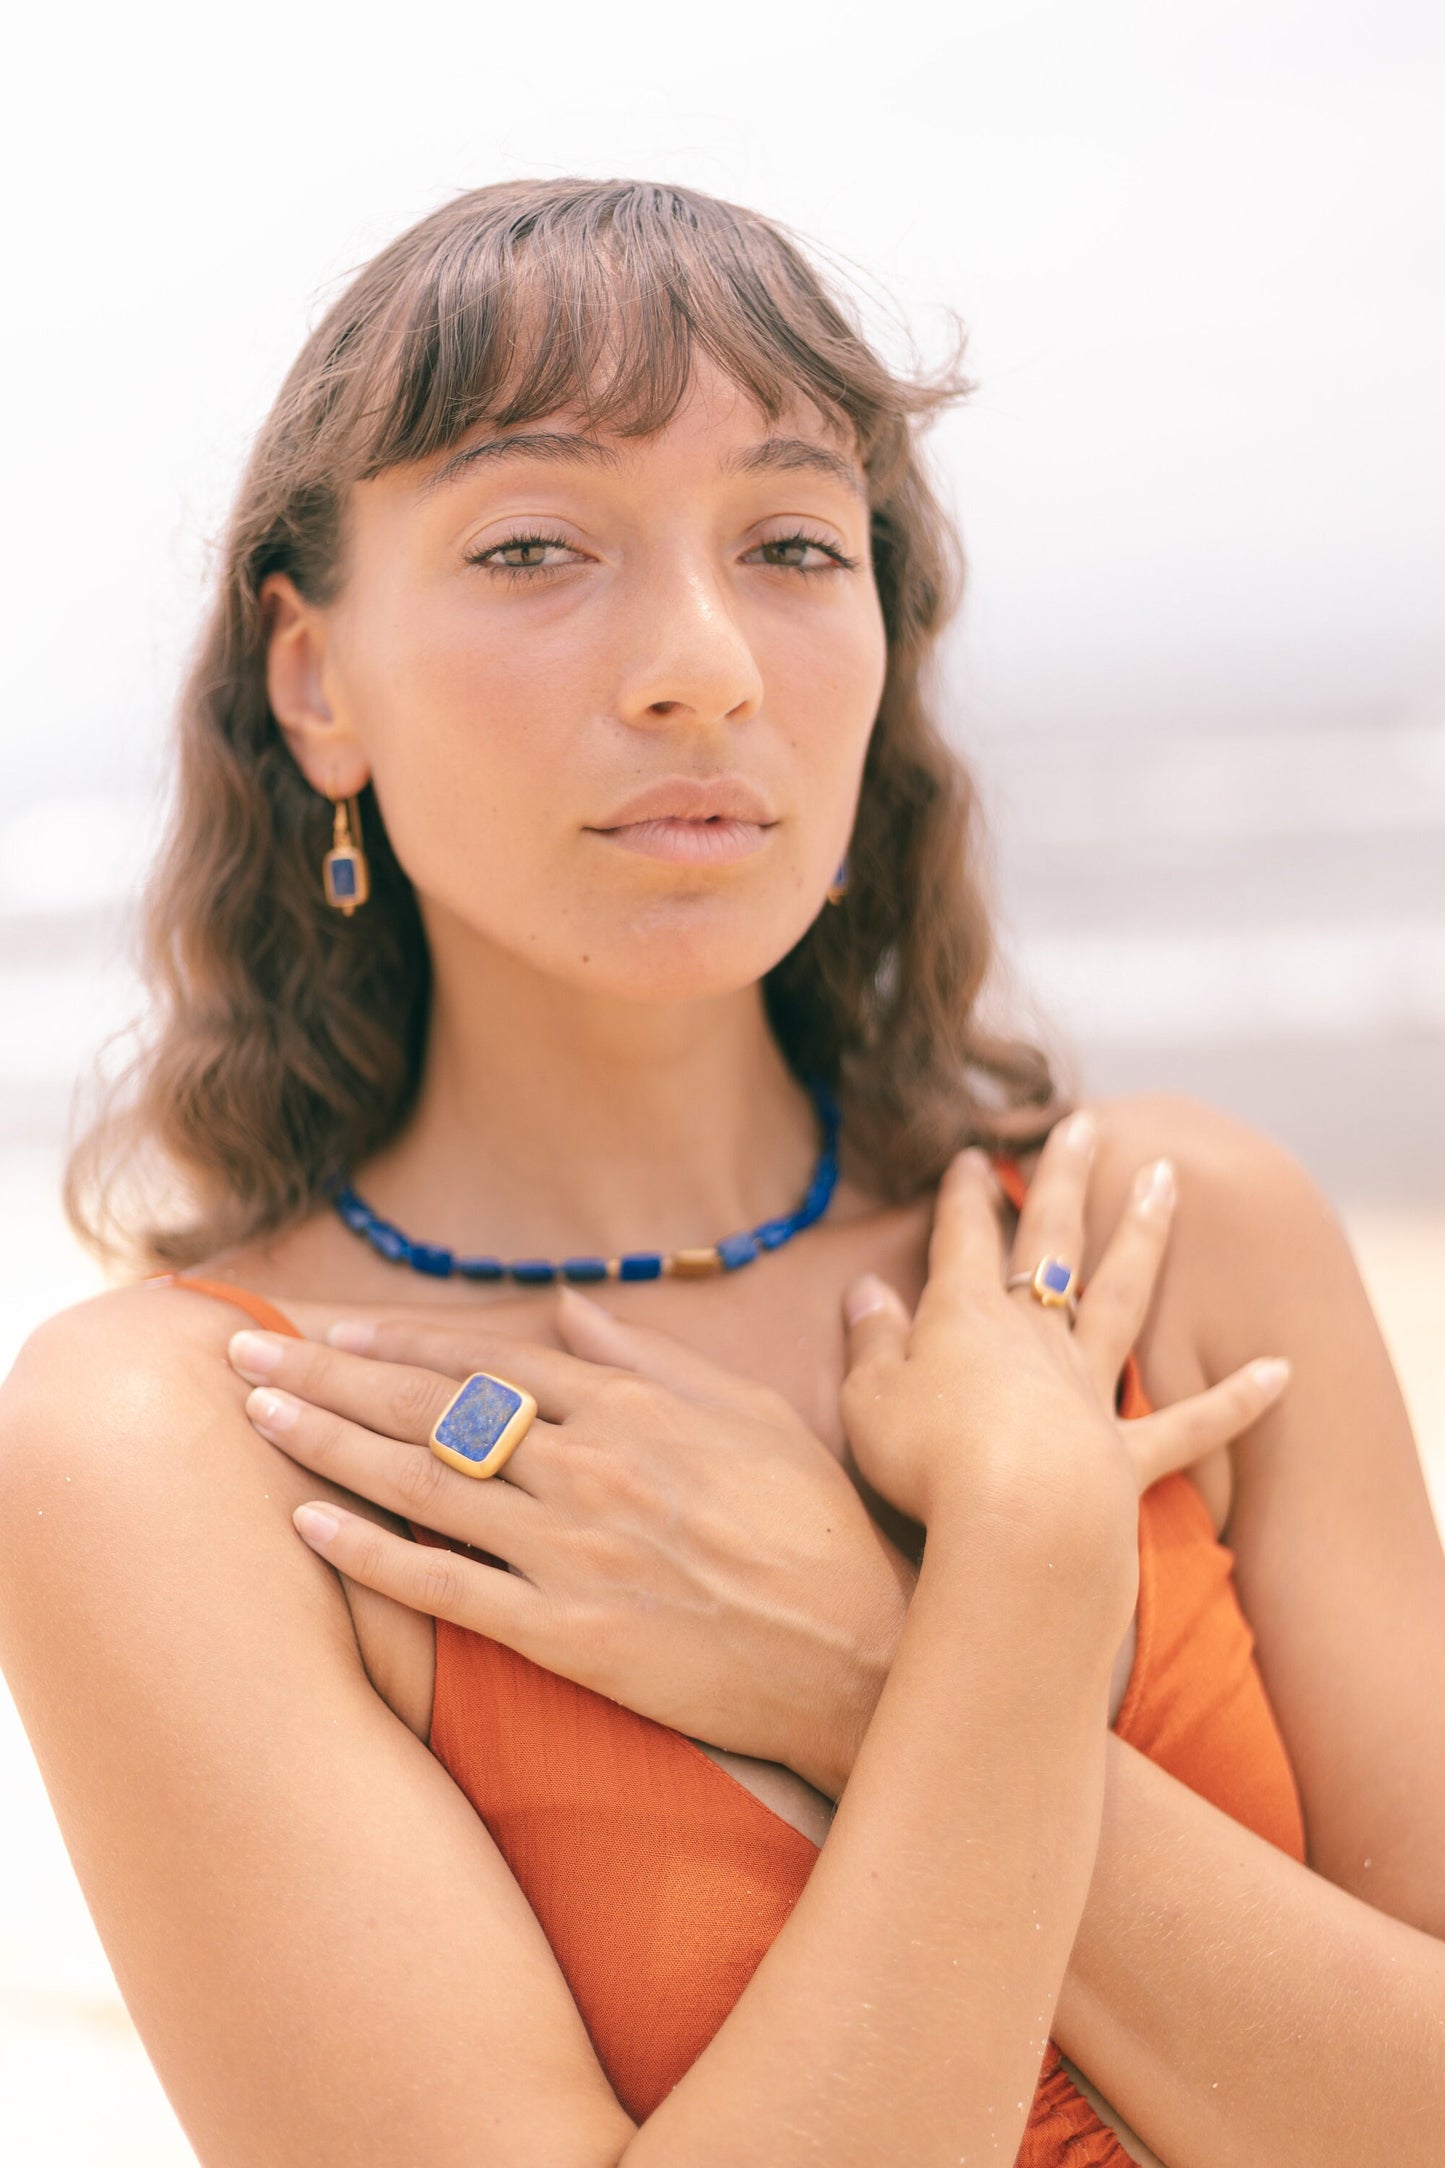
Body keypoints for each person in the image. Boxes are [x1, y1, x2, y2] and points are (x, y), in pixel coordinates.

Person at [1, 179, 1441, 2168]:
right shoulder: (189, 1435)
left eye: (788, 546)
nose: (703, 666)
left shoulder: (1173, 1240)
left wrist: (886, 1655)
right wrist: (1014, 1590)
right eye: (533, 546)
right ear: (314, 680)